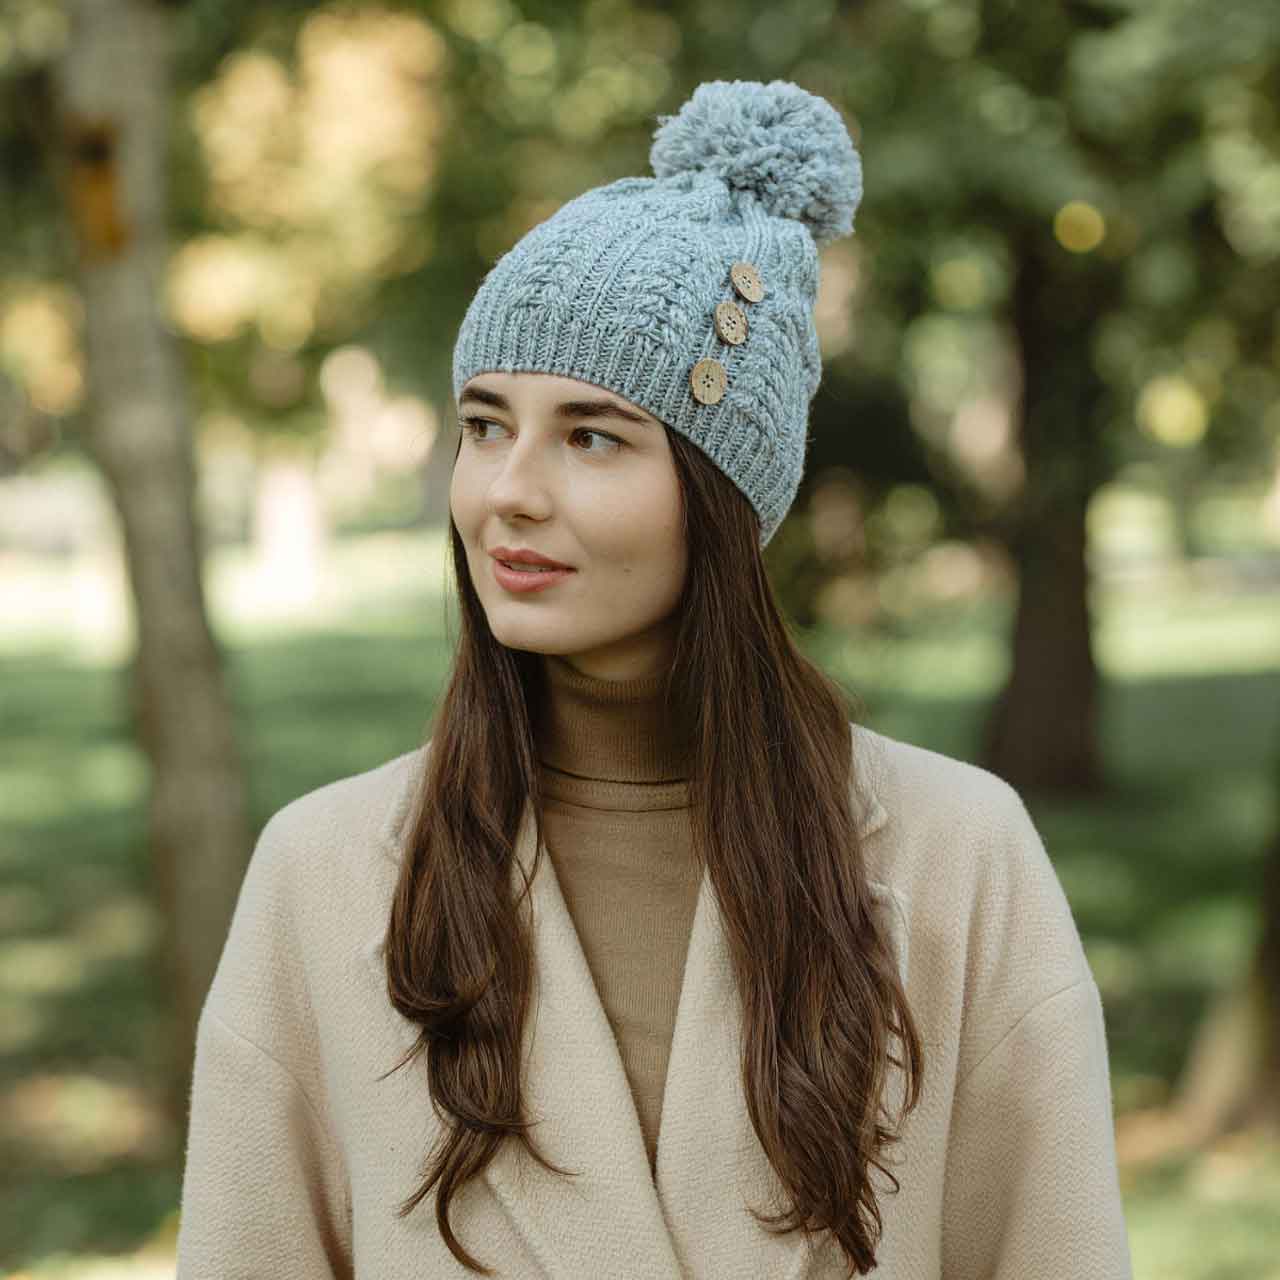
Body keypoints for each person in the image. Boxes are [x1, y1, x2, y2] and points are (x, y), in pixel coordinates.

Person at [175, 80, 1134, 1279]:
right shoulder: (320, 874)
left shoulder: (958, 854)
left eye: (591, 435)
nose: (508, 490)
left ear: (722, 497)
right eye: (484, 425)